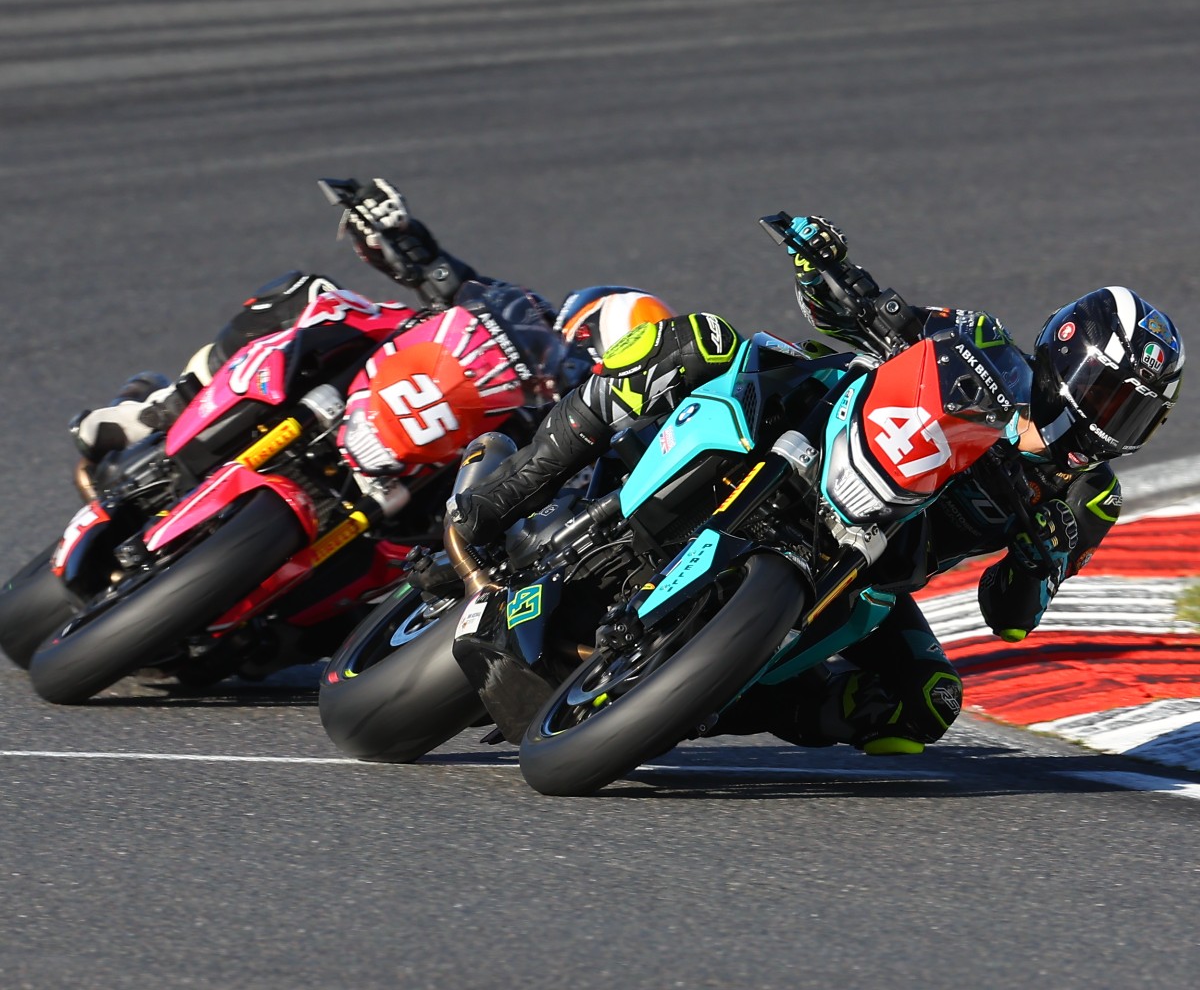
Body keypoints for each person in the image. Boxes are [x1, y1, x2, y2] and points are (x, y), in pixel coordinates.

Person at [449, 215, 1185, 755]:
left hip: (872, 571)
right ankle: (506, 493)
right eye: (1110, 394)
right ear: (1068, 357)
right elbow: (867, 317)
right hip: (807, 425)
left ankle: (698, 698)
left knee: (925, 704)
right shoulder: (984, 341)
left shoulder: (1088, 500)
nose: (1109, 422)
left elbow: (1011, 619)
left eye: (1135, 415)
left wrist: (1037, 560)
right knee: (696, 342)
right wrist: (825, 270)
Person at [71, 177, 673, 473]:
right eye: (599, 350)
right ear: (581, 323)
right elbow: (444, 276)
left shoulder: (600, 445)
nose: (596, 371)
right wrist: (393, 233)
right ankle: (160, 411)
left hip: (440, 484)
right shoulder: (521, 313)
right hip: (395, 392)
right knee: (315, 299)